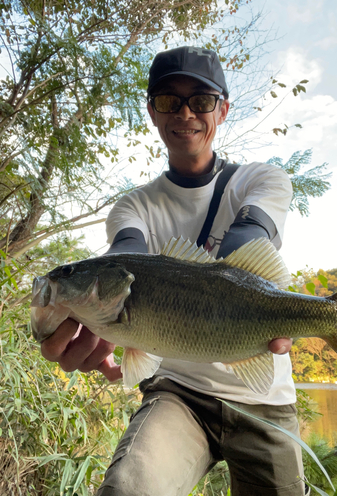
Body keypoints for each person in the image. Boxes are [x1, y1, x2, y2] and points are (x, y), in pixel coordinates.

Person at [41, 46, 308, 496]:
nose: (185, 112)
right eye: (169, 99)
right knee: (128, 488)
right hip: (177, 393)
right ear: (152, 111)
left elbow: (250, 238)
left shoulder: (263, 179)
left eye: (200, 100)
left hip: (264, 399)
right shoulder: (134, 205)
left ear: (222, 110)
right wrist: (96, 318)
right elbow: (127, 251)